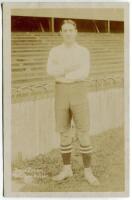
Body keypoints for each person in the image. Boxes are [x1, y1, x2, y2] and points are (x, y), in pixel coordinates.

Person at [47, 19, 99, 186]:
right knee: (64, 132)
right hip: (60, 91)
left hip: (78, 91)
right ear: (60, 33)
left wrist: (63, 73)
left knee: (83, 131)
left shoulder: (83, 51)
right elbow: (50, 71)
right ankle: (67, 169)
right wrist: (70, 68)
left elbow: (84, 72)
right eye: (65, 30)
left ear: (76, 32)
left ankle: (88, 172)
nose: (68, 33)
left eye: (71, 30)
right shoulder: (54, 51)